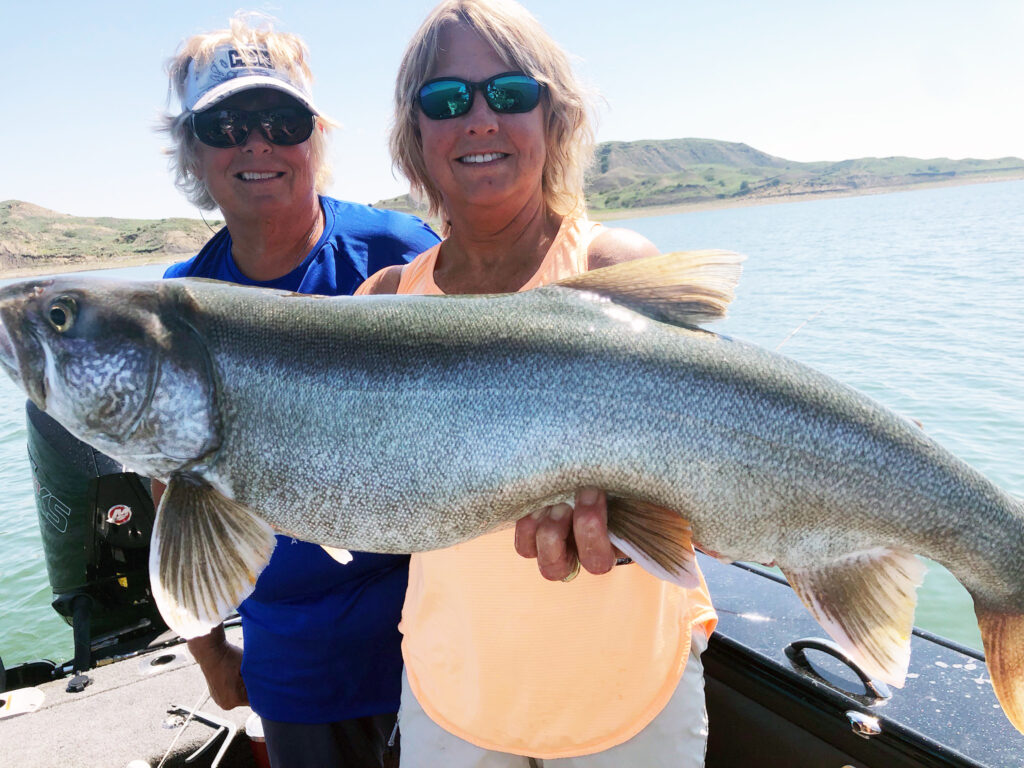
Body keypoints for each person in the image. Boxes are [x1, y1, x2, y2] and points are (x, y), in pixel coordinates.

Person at [358, 1, 718, 765]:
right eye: (446, 100)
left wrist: (634, 533)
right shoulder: (382, 305)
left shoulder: (613, 270)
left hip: (631, 703)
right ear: (415, 137)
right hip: (452, 700)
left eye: (510, 93)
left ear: (553, 118)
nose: (480, 118)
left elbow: (716, 465)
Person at [155, 14, 439, 768]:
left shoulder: (404, 253)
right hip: (294, 672)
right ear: (194, 150)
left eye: (282, 120)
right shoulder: (179, 308)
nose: (258, 143)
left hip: (437, 641)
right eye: (227, 123)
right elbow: (171, 484)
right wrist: (209, 652)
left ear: (314, 135)